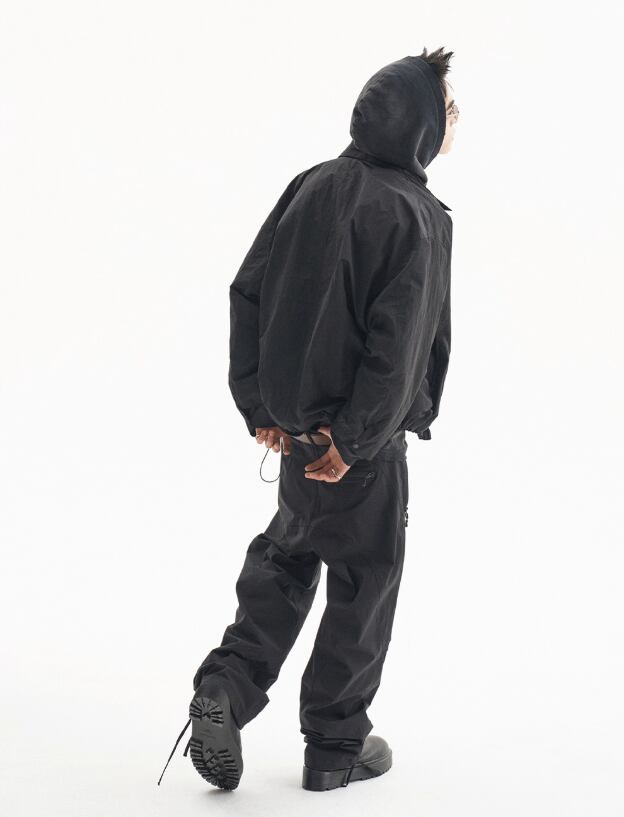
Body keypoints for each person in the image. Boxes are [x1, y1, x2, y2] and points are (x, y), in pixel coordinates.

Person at [157, 46, 458, 793]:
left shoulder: (311, 184)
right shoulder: (417, 215)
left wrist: (259, 405)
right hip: (359, 450)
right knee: (364, 581)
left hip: (295, 438)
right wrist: (354, 441)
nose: (456, 123)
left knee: (287, 560)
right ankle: (334, 746)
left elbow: (249, 291)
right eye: (449, 110)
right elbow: (398, 346)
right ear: (421, 123)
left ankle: (225, 689)